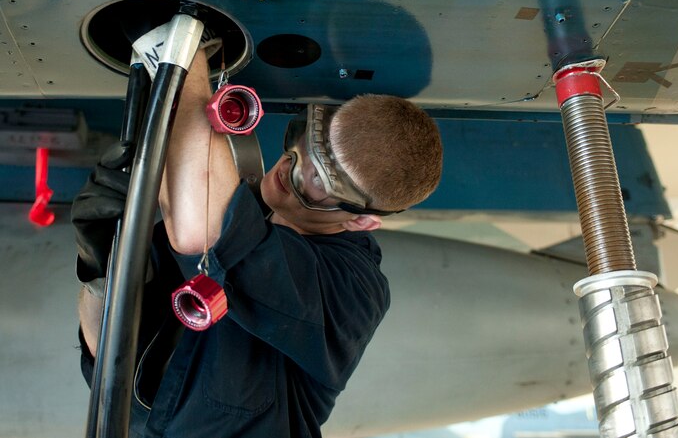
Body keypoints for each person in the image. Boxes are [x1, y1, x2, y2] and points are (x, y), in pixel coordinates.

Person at [73, 49, 443, 437]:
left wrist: (184, 51)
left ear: (360, 220)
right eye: (305, 144)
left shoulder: (352, 290)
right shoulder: (234, 209)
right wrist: (101, 268)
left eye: (318, 181)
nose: (289, 165)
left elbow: (206, 235)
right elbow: (110, 356)